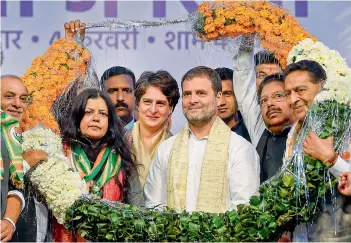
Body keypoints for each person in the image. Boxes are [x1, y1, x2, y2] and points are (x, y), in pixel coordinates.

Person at [144, 66, 260, 213]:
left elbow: (245, 210)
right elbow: (153, 205)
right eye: (187, 94)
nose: (193, 100)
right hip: (172, 236)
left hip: (222, 236)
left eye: (201, 93)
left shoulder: (239, 149)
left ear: (218, 98)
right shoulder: (166, 149)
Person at [42, 89, 144, 241]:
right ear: (78, 117)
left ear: (110, 121)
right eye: (89, 112)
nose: (96, 118)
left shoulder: (122, 159)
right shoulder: (58, 154)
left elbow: (138, 210)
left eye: (103, 114)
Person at [283, 60, 351, 242]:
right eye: (287, 93)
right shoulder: (294, 132)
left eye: (300, 90)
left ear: (322, 86)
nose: (293, 99)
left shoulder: (345, 124)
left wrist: (331, 159)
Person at [232, 42, 295, 184]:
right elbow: (243, 77)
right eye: (264, 100)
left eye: (278, 96)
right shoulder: (259, 125)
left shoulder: (308, 128)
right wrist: (247, 35)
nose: (270, 103)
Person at [64, 20, 136, 130]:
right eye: (112, 91)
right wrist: (73, 45)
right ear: (102, 95)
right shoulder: (89, 132)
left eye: (127, 90)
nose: (120, 98)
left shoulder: (152, 133)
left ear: (136, 95)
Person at [124, 71, 180, 188]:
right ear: (138, 105)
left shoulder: (179, 149)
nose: (153, 110)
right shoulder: (119, 143)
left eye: (160, 103)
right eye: (147, 102)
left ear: (171, 108)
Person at [215, 67, 251, 142]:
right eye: (216, 95)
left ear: (237, 95)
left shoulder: (252, 131)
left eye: (227, 94)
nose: (221, 102)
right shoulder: (202, 135)